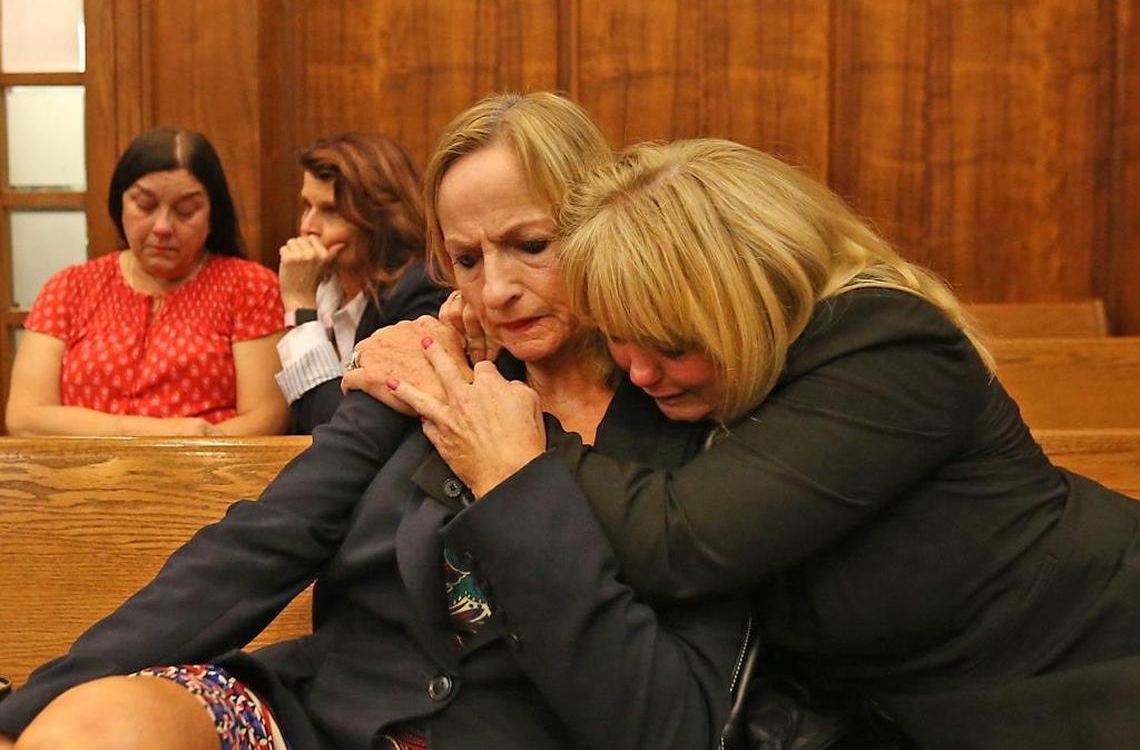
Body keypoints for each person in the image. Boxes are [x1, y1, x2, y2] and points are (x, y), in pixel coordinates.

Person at [0, 95, 747, 750]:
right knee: (90, 730)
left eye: (532, 246)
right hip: (324, 717)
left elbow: (666, 721)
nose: (498, 289)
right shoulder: (426, 365)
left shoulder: (685, 409)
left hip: (525, 730)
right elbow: (258, 544)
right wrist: (31, 703)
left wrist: (515, 481)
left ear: (599, 226)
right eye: (465, 257)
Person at [382, 138, 1140, 749]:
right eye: (618, 339)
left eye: (670, 343)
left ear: (746, 302)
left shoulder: (889, 344)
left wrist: (518, 443)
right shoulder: (698, 394)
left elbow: (683, 538)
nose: (641, 371)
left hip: (1095, 673)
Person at [6, 127, 288, 437]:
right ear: (119, 205)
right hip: (79, 478)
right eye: (145, 206)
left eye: (186, 211)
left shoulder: (250, 288)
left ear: (212, 215)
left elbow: (265, 419)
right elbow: (24, 418)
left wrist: (196, 450)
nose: (163, 226)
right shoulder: (69, 287)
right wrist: (153, 433)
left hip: (205, 477)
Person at [275, 132, 446, 433]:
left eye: (330, 211)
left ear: (379, 217)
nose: (307, 227)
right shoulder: (325, 288)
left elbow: (342, 430)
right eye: (307, 206)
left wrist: (301, 312)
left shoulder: (419, 293)